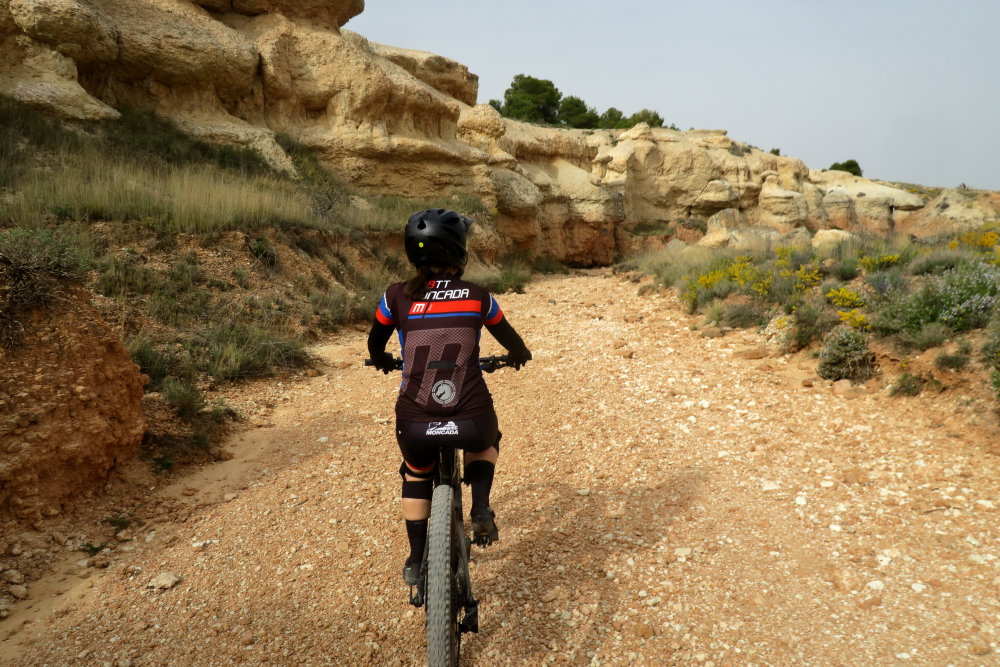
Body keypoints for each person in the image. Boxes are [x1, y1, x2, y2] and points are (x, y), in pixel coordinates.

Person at [367, 208, 532, 587]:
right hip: (470, 419)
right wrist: (518, 355)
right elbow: (511, 340)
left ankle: (415, 561)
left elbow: (375, 344)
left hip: (415, 422)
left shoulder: (395, 296)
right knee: (487, 440)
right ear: (459, 251)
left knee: (416, 471)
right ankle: (480, 508)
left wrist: (383, 360)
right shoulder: (478, 297)